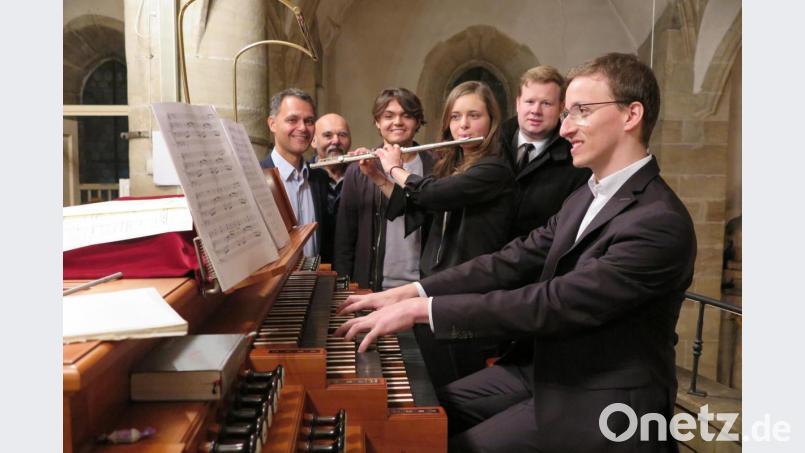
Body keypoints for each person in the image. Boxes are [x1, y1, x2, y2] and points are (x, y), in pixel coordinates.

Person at [334, 53, 696, 452]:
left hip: (601, 398)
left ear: (631, 115)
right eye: (567, 113)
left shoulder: (658, 221)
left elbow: (553, 302)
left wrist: (424, 311)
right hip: (540, 371)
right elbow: (511, 260)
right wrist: (411, 292)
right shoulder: (584, 196)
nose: (565, 128)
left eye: (581, 111)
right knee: (415, 414)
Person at [361, 81, 516, 388]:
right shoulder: (451, 164)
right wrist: (378, 177)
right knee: (433, 379)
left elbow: (433, 193)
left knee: (457, 382)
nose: (463, 125)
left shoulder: (494, 169)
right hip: (438, 286)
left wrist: (394, 168)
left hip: (470, 291)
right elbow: (420, 208)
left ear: (491, 120)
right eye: (456, 117)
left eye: (474, 115)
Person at [333, 88, 434, 291]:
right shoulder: (358, 169)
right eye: (388, 116)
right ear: (377, 123)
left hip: (423, 286)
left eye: (406, 115)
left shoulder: (436, 166)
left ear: (417, 122)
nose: (397, 122)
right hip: (372, 288)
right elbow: (345, 239)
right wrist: (344, 290)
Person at [502, 65, 591, 239]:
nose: (536, 111)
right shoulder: (490, 146)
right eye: (530, 102)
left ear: (561, 107)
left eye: (546, 103)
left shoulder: (577, 162)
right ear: (518, 103)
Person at [260, 88, 333, 261]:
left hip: (314, 275)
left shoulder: (320, 178)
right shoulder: (255, 177)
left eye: (309, 121)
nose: (302, 128)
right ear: (272, 124)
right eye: (292, 120)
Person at [311, 113, 352, 239]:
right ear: (313, 141)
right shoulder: (305, 176)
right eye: (327, 135)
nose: (336, 141)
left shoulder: (361, 174)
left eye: (342, 135)